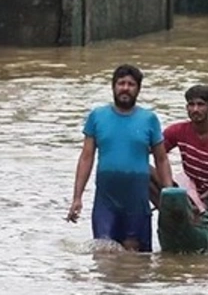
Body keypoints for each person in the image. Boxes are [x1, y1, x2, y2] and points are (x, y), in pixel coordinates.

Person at [66, 65, 173, 252]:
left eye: (131, 84)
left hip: (137, 201)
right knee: (104, 251)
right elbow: (86, 157)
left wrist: (170, 194)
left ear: (138, 89)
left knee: (136, 257)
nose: (125, 88)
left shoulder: (149, 120)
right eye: (121, 83)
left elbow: (161, 160)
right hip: (106, 201)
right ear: (113, 87)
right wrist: (77, 197)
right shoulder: (97, 116)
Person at [161, 84, 208, 218]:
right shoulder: (177, 131)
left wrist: (198, 199)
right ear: (187, 108)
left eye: (200, 105)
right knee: (148, 172)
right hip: (187, 189)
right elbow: (156, 152)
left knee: (204, 207)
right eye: (191, 104)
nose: (195, 109)